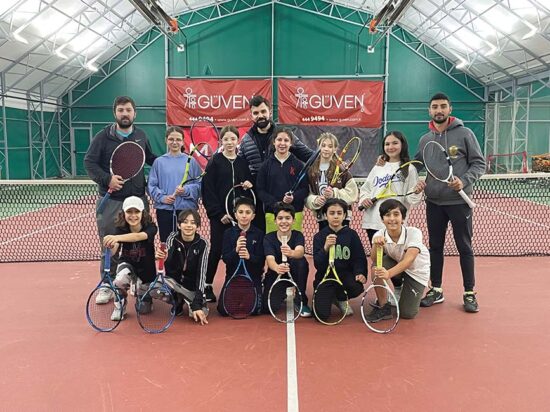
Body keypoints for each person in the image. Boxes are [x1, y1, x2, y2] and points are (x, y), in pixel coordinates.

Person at [415, 92, 486, 313]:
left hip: (459, 202)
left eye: (443, 106)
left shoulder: (465, 133)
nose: (439, 110)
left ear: (450, 109)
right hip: (433, 202)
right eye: (435, 107)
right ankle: (436, 289)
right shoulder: (425, 139)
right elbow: (415, 164)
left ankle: (469, 292)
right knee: (435, 247)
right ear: (429, 110)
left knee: (464, 246)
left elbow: (479, 164)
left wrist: (463, 181)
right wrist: (390, 161)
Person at [84, 96, 156, 286]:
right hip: (112, 201)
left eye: (128, 110)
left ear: (135, 113)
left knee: (142, 245)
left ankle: (141, 282)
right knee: (110, 244)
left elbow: (149, 158)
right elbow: (89, 163)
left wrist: (172, 161)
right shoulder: (102, 137)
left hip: (138, 199)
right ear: (115, 113)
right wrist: (107, 179)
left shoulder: (141, 135)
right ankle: (108, 284)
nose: (125, 114)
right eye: (121, 110)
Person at [239, 95, 313, 231]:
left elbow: (309, 155)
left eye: (263, 111)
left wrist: (334, 161)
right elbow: (239, 166)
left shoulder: (283, 135)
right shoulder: (245, 140)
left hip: (281, 200)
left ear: (269, 112)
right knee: (261, 237)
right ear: (251, 116)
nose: (260, 116)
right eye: (256, 113)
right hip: (256, 197)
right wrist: (246, 180)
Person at [201, 125, 253, 303]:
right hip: (220, 217)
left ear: (237, 141)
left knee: (239, 249)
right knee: (216, 250)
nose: (230, 142)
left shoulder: (242, 162)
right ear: (221, 141)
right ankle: (207, 285)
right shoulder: (214, 162)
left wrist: (248, 184)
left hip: (239, 218)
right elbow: (208, 190)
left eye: (233, 139)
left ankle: (238, 283)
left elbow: (247, 186)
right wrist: (218, 213)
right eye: (226, 139)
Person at [365, 199, 430, 322]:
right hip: (397, 262)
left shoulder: (414, 233)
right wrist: (376, 245)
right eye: (387, 215)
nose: (392, 219)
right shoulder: (379, 234)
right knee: (376, 267)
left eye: (396, 214)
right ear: (382, 219)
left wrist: (388, 274)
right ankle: (384, 307)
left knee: (407, 314)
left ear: (403, 218)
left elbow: (409, 260)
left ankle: (405, 290)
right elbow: (374, 259)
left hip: (416, 271)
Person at [359, 130, 422, 244]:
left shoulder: (410, 169)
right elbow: (366, 189)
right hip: (374, 222)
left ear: (402, 145)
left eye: (395, 143)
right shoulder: (378, 167)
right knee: (377, 255)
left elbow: (411, 199)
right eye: (387, 144)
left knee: (394, 255)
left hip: (395, 223)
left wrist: (417, 192)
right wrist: (365, 199)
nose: (390, 147)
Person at [102, 196, 158, 321]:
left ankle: (138, 287)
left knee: (144, 310)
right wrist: (110, 245)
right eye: (129, 212)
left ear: (143, 213)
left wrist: (116, 237)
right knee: (119, 280)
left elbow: (138, 236)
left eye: (136, 212)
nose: (133, 216)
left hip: (146, 269)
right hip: (127, 264)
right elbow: (113, 251)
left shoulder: (151, 227)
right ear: (124, 213)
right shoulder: (119, 228)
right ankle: (120, 306)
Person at [312, 198, 367, 319]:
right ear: (325, 215)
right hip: (326, 277)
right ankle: (328, 297)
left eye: (339, 213)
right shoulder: (319, 236)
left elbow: (359, 257)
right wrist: (325, 248)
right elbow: (317, 264)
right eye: (332, 213)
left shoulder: (351, 235)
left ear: (344, 215)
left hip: (344, 276)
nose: (336, 216)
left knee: (356, 286)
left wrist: (360, 272)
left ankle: (341, 298)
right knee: (321, 315)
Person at [148, 126, 202, 242]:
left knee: (186, 244)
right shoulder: (159, 162)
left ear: (182, 141)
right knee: (167, 244)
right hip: (165, 211)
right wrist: (163, 198)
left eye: (178, 139)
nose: (174, 142)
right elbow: (151, 185)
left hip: (187, 211)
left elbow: (199, 186)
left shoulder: (191, 161)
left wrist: (186, 190)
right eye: (171, 139)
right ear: (166, 140)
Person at [156, 209, 209, 325]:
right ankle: (177, 301)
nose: (189, 225)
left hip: (192, 287)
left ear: (197, 226)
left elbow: (202, 274)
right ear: (179, 225)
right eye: (185, 222)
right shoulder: (172, 238)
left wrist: (197, 304)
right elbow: (168, 259)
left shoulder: (203, 244)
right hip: (175, 283)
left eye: (193, 223)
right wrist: (164, 256)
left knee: (200, 313)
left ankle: (191, 300)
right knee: (155, 289)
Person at [262, 202, 311, 317]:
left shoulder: (298, 235)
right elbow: (270, 259)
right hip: (277, 273)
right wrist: (277, 268)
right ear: (275, 221)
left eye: (288, 218)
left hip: (294, 272)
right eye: (280, 218)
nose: (284, 221)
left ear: (293, 220)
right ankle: (281, 290)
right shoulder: (268, 238)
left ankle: (301, 300)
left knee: (301, 262)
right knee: (267, 308)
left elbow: (300, 252)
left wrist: (291, 253)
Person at [256, 127, 309, 233]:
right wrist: (275, 203)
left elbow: (305, 189)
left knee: (293, 242)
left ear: (291, 143)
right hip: (273, 214)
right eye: (279, 140)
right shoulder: (265, 166)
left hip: (295, 213)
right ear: (274, 142)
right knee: (273, 242)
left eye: (286, 140)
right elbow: (260, 190)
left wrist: (293, 197)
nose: (282, 143)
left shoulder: (298, 165)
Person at [217, 197, 265, 316]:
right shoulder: (228, 233)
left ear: (253, 216)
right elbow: (226, 259)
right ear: (235, 215)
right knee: (223, 311)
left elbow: (261, 261)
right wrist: (236, 250)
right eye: (241, 212)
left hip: (253, 278)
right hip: (233, 277)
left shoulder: (259, 234)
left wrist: (249, 257)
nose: (244, 216)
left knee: (256, 311)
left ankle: (259, 287)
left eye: (248, 212)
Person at [305, 132, 358, 230]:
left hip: (341, 217)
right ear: (319, 147)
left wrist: (334, 193)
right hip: (323, 216)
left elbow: (353, 193)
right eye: (323, 145)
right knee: (325, 240)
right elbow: (307, 194)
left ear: (335, 149)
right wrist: (315, 200)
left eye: (330, 146)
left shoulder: (341, 169)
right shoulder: (311, 170)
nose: (326, 149)